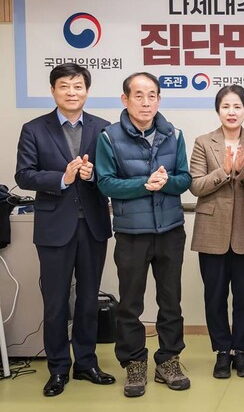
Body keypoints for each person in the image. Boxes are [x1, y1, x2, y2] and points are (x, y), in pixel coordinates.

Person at [15, 63, 114, 396]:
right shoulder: (34, 129)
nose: (72, 92)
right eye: (64, 86)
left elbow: (112, 174)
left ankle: (86, 363)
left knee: (88, 299)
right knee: (56, 301)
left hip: (93, 225)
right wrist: (62, 178)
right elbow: (24, 175)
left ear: (87, 90)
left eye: (78, 86)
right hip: (54, 226)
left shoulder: (103, 128)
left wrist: (92, 175)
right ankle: (58, 368)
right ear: (53, 90)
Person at [95, 72, 192, 397]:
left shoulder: (174, 134)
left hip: (170, 231)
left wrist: (168, 182)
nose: (146, 102)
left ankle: (169, 360)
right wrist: (144, 184)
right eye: (139, 95)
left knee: (171, 301)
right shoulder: (109, 137)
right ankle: (134, 363)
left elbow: (185, 179)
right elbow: (105, 183)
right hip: (131, 233)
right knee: (130, 304)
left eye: (152, 95)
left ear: (159, 99)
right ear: (125, 99)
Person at [189, 85, 244, 379]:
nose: (231, 112)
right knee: (215, 296)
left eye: (237, 107)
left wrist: (242, 171)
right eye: (226, 106)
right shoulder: (203, 142)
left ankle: (241, 350)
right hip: (211, 231)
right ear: (218, 110)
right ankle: (222, 351)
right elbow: (196, 185)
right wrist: (223, 171)